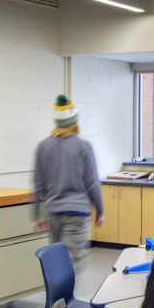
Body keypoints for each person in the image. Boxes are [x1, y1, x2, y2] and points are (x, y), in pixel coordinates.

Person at [33, 94, 103, 271]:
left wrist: (37, 214)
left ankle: (57, 297)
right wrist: (100, 210)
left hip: (53, 212)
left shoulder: (43, 147)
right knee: (73, 263)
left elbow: (38, 183)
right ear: (75, 121)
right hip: (77, 214)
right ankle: (64, 299)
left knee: (56, 262)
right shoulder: (83, 146)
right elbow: (92, 182)